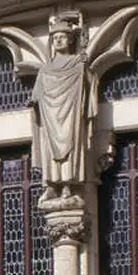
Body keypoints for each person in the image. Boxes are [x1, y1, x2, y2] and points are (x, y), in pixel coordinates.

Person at [31, 11, 91, 199]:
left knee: (71, 144)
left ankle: (67, 184)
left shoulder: (77, 63)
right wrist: (34, 102)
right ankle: (51, 184)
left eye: (62, 37)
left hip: (69, 112)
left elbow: (89, 86)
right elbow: (37, 93)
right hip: (49, 114)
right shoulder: (45, 70)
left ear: (70, 40)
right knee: (48, 148)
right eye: (55, 38)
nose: (58, 41)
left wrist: (86, 69)